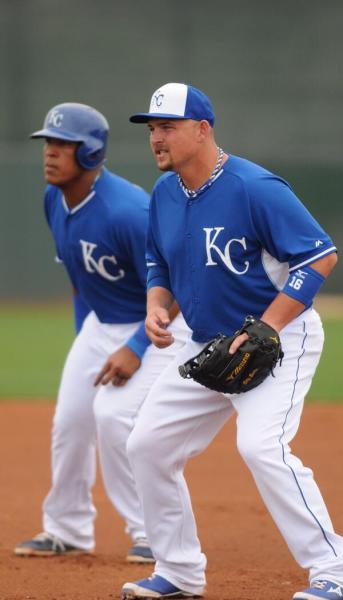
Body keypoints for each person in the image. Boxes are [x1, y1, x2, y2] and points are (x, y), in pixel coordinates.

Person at [119, 83, 342, 600]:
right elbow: (160, 263)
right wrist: (157, 306)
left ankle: (332, 568)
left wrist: (267, 326)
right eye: (152, 129)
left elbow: (319, 258)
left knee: (261, 447)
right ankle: (178, 572)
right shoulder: (165, 194)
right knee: (147, 444)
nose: (157, 138)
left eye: (167, 127)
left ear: (202, 130)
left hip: (278, 339)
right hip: (204, 344)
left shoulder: (254, 187)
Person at [14, 102, 191, 562]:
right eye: (47, 143)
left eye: (63, 145)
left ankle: (151, 534)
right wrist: (84, 339)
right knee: (70, 421)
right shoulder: (54, 199)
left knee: (114, 419)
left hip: (155, 324)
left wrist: (135, 347)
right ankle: (67, 528)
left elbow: (179, 284)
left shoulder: (128, 212)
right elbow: (80, 278)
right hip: (99, 324)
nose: (49, 153)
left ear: (91, 153)